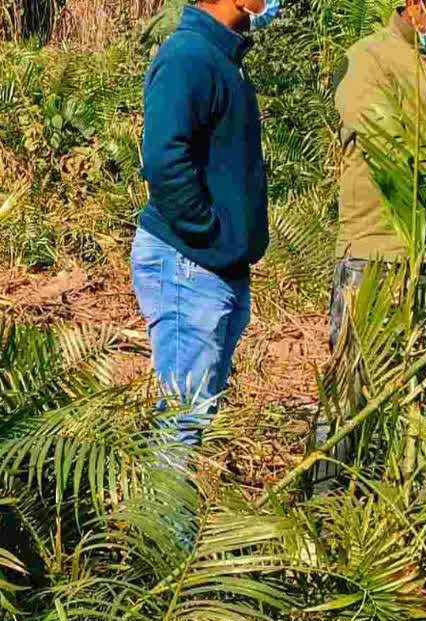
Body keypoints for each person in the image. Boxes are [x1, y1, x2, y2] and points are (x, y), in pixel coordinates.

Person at [306, 0, 426, 491]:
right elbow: (392, 150)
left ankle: (410, 507)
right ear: (413, 4)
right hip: (380, 251)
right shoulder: (368, 61)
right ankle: (325, 507)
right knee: (352, 389)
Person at [133, 0, 280, 461]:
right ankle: (160, 532)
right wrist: (211, 234)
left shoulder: (222, 59)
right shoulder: (189, 57)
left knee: (196, 418)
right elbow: (163, 160)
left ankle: (175, 527)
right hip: (189, 262)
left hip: (213, 265)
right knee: (183, 424)